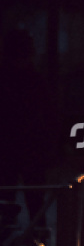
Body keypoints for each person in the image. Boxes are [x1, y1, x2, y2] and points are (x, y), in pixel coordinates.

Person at [0, 29, 56, 221]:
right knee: (35, 196)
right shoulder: (36, 79)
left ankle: (6, 236)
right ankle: (38, 235)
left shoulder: (6, 78)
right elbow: (49, 113)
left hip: (6, 144)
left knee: (6, 195)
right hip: (32, 145)